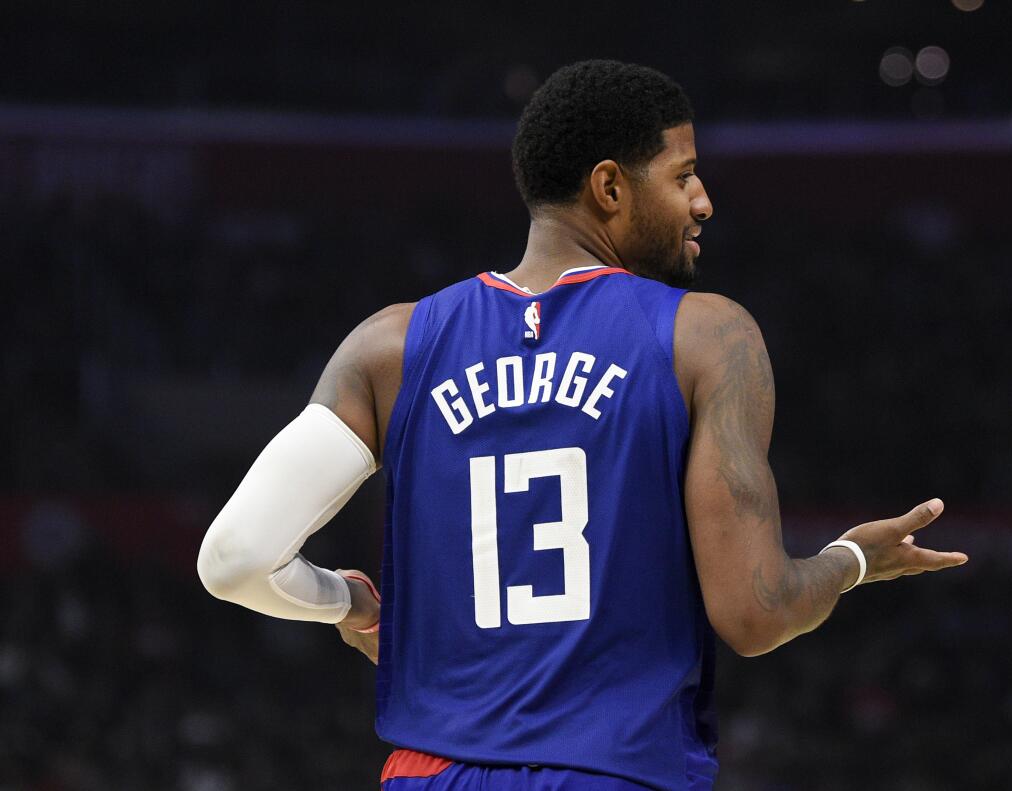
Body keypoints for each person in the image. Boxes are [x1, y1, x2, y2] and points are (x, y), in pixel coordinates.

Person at [196, 59, 968, 791]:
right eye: (683, 175)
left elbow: (235, 558)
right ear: (609, 186)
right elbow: (755, 611)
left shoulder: (391, 347)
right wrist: (852, 561)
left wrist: (351, 603)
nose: (703, 201)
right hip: (613, 770)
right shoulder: (707, 337)